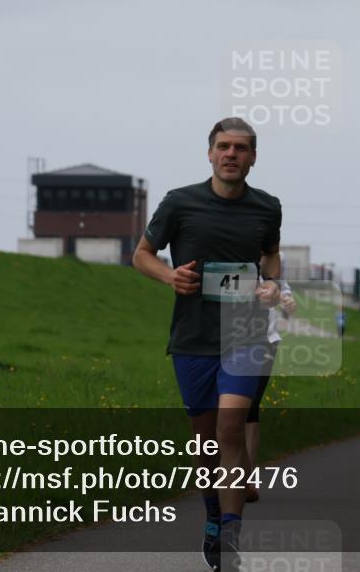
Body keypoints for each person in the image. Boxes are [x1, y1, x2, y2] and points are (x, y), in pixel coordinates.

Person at [132, 117, 282, 572]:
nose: (231, 154)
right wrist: (169, 276)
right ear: (210, 153)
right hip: (193, 338)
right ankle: (213, 518)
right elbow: (141, 254)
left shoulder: (267, 207)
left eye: (240, 148)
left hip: (245, 334)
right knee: (205, 444)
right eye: (223, 147)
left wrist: (273, 284)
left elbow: (271, 254)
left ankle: (232, 534)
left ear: (253, 156)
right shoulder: (180, 203)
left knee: (231, 429)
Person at [245, 263, 296, 504]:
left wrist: (286, 298)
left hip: (265, 339)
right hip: (227, 337)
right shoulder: (225, 245)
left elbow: (281, 285)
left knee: (250, 407)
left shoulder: (273, 256)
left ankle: (247, 478)